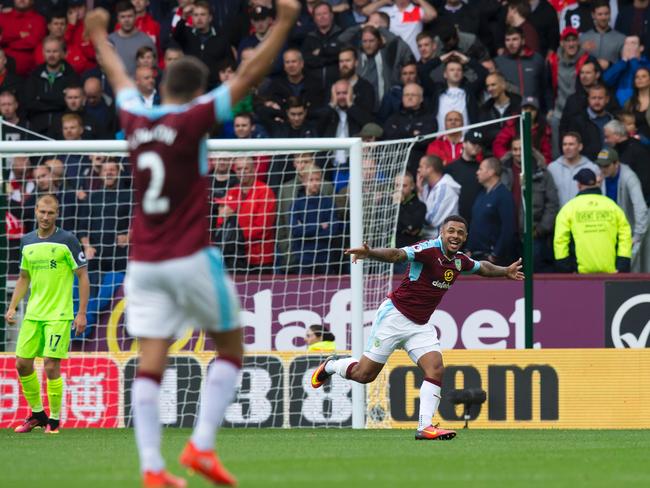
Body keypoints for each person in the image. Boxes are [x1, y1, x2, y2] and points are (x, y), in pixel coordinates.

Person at [85, 1, 299, 486]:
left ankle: (152, 468)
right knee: (230, 347)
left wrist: (98, 36)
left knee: (151, 359)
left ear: (161, 86)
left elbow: (119, 76)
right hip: (190, 257)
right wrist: (284, 22)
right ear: (199, 92)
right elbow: (246, 78)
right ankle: (201, 446)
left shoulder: (136, 118)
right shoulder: (194, 118)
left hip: (142, 263)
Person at [311, 214, 524, 440]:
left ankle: (425, 427)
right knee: (364, 375)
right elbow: (397, 254)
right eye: (451, 231)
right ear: (441, 233)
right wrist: (370, 253)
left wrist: (505, 271)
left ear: (465, 237)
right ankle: (331, 365)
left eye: (460, 233)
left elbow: (484, 268)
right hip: (394, 317)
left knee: (435, 368)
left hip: (420, 325)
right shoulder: (428, 250)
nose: (455, 236)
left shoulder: (460, 260)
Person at [4, 194, 90, 434]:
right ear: (35, 211)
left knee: (51, 366)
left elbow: (83, 276)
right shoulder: (27, 241)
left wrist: (81, 313)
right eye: (42, 211)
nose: (45, 216)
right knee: (22, 364)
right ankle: (37, 414)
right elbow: (23, 278)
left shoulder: (68, 241)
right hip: (33, 314)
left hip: (59, 314)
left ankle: (53, 419)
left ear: (57, 214)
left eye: (50, 213)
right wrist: (12, 307)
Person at [554, 168, 632, 273]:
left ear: (579, 185)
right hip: (611, 272)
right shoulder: (612, 206)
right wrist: (622, 264)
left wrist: (565, 268)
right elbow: (625, 235)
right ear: (596, 183)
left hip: (579, 273)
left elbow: (560, 240)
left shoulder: (568, 209)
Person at [467, 158, 515, 266]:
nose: (477, 172)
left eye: (480, 169)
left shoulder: (504, 196)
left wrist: (496, 254)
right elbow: (474, 223)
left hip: (492, 259)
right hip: (475, 257)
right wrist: (469, 248)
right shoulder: (481, 194)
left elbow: (508, 228)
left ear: (491, 172)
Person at [416, 155, 460, 239]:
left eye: (421, 166)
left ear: (430, 169)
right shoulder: (425, 187)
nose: (418, 169)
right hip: (429, 240)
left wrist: (413, 221)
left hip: (441, 242)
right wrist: (420, 192)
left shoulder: (445, 188)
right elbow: (421, 211)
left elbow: (431, 220)